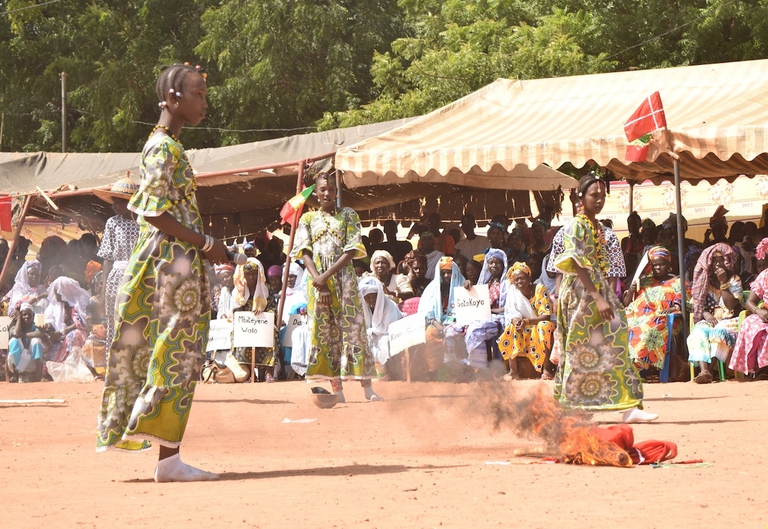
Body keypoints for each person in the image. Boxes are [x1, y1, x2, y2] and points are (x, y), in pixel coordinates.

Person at [96, 63, 227, 483]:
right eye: (198, 95)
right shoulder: (162, 149)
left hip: (176, 265)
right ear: (173, 97)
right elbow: (152, 211)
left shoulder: (168, 146)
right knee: (176, 355)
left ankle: (168, 456)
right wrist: (206, 245)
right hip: (172, 269)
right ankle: (166, 458)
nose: (205, 103)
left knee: (178, 354)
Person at [553, 174, 656, 423]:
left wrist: (604, 294)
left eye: (602, 196)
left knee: (614, 340)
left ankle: (628, 406)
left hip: (595, 289)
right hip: (581, 294)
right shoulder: (576, 225)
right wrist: (597, 296)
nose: (599, 200)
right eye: (593, 195)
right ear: (580, 197)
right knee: (583, 350)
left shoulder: (596, 226)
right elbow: (577, 264)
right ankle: (577, 408)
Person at [290, 170, 380, 402]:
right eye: (322, 189)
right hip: (318, 286)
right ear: (316, 194)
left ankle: (367, 389)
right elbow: (304, 252)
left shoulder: (348, 215)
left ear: (336, 192)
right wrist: (319, 282)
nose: (327, 193)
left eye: (331, 189)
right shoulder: (308, 219)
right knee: (326, 336)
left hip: (345, 282)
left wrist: (326, 276)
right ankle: (337, 392)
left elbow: (352, 250)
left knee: (354, 332)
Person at [623, 246, 689, 374]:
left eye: (661, 264)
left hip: (663, 319)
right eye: (654, 265)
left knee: (646, 328)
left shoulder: (678, 282)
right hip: (637, 316)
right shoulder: (643, 282)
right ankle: (622, 365)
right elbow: (627, 303)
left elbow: (681, 304)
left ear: (669, 264)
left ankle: (638, 367)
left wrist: (674, 308)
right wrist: (631, 290)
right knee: (621, 324)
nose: (657, 268)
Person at [95, 176, 141, 351]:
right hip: (116, 277)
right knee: (114, 320)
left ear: (128, 202)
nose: (113, 206)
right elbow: (107, 257)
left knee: (135, 318)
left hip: (137, 275)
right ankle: (113, 362)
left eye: (116, 202)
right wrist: (104, 288)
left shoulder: (143, 222)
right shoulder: (112, 223)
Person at [687, 243, 742, 384]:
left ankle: (710, 371)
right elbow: (696, 304)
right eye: (715, 261)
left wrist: (723, 282)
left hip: (730, 320)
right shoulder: (705, 281)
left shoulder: (734, 279)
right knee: (698, 332)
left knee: (718, 332)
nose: (718, 265)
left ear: (728, 262)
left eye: (721, 261)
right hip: (710, 320)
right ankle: (704, 371)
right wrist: (706, 314)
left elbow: (731, 305)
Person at [498, 262, 555, 379]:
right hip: (526, 325)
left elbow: (546, 316)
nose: (519, 282)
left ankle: (547, 370)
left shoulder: (539, 289)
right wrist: (516, 322)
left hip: (540, 324)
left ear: (529, 278)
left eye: (522, 278)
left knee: (543, 326)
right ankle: (513, 372)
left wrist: (527, 322)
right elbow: (512, 312)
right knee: (511, 327)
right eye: (516, 279)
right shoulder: (514, 292)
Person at [230, 258, 280, 382]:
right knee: (238, 335)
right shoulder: (238, 291)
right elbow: (235, 312)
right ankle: (250, 372)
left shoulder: (266, 289)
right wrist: (248, 316)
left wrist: (263, 313)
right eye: (248, 274)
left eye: (254, 274)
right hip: (245, 326)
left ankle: (268, 372)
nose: (251, 277)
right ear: (243, 274)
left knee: (272, 334)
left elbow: (273, 309)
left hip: (263, 325)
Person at [730, 237, 768, 377]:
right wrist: (759, 312)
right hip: (766, 313)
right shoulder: (764, 276)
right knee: (751, 324)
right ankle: (762, 369)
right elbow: (749, 302)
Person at [464, 249, 507, 369]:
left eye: (497, 263)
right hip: (483, 317)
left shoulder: (508, 284)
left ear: (503, 264)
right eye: (490, 263)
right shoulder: (485, 283)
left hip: (499, 318)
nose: (493, 266)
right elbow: (475, 302)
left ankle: (478, 367)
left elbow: (508, 307)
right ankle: (455, 367)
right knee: (453, 329)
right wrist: (469, 287)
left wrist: (490, 311)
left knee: (475, 330)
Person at [358, 276, 403, 379]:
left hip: (389, 333)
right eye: (368, 297)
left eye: (374, 297)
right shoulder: (364, 306)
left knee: (384, 341)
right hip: (373, 333)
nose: (372, 300)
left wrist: (371, 332)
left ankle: (387, 373)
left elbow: (388, 327)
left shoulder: (389, 305)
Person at [44, 276, 90, 363]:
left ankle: (69, 362)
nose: (55, 295)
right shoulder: (55, 304)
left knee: (74, 334)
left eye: (58, 292)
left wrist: (63, 332)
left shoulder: (77, 303)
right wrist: (49, 327)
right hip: (59, 334)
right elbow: (49, 318)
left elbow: (80, 322)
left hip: (77, 332)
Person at [7, 302, 46, 382]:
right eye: (24, 314)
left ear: (33, 316)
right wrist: (18, 319)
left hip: (31, 363)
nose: (27, 317)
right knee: (14, 340)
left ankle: (38, 375)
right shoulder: (14, 324)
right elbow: (16, 334)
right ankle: (16, 374)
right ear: (20, 315)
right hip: (17, 363)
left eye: (29, 315)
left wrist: (23, 335)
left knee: (36, 340)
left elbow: (40, 333)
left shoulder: (34, 325)